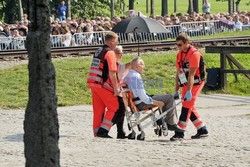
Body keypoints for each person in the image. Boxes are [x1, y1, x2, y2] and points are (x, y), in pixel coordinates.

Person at [125, 57, 185, 133]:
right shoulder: (136, 77)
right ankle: (170, 123)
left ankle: (164, 121)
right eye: (143, 65)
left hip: (135, 103)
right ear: (137, 66)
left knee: (164, 97)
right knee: (169, 97)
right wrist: (157, 102)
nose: (144, 67)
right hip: (142, 103)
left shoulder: (128, 75)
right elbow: (143, 98)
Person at [170, 34, 208, 141]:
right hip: (187, 82)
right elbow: (179, 73)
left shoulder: (194, 54)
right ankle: (202, 129)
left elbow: (191, 74)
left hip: (197, 82)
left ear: (187, 43)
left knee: (186, 106)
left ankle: (179, 132)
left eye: (180, 45)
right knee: (188, 105)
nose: (178, 47)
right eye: (177, 45)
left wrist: (189, 91)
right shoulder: (179, 55)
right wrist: (176, 90)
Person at [87, 32, 120, 138]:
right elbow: (112, 72)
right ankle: (103, 131)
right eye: (116, 41)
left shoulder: (99, 50)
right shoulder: (110, 53)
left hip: (93, 83)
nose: (117, 44)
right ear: (112, 41)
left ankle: (96, 132)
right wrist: (116, 89)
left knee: (98, 110)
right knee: (114, 107)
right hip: (102, 84)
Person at [112, 45, 132, 139]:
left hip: (119, 90)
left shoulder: (117, 63)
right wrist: (135, 62)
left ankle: (120, 132)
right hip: (116, 90)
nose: (122, 54)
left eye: (122, 52)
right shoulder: (115, 63)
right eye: (120, 52)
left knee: (121, 111)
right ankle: (105, 127)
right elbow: (123, 68)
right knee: (121, 111)